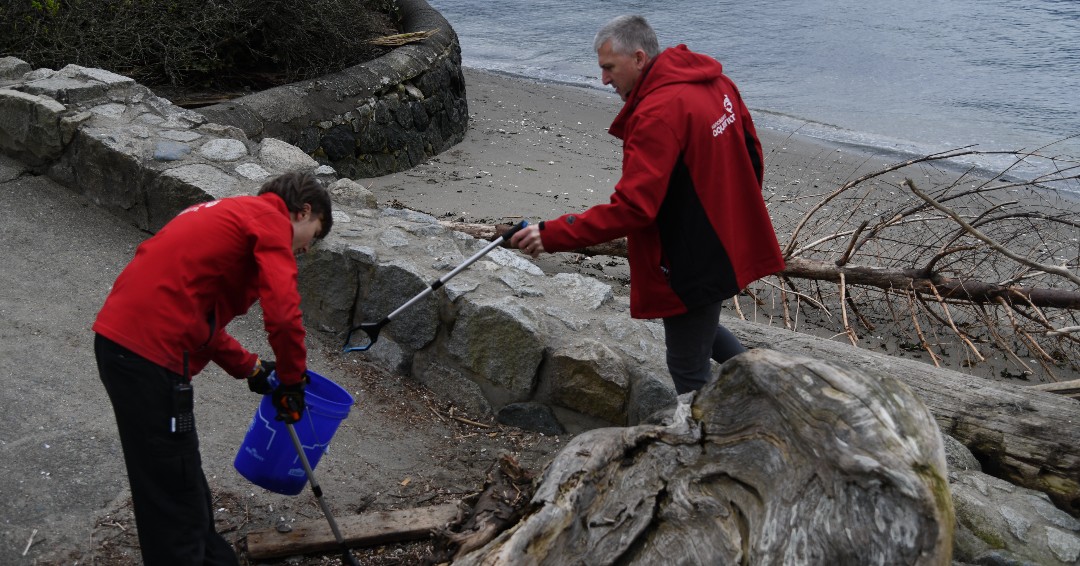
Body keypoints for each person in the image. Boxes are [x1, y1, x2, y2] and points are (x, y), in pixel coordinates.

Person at [511, 15, 785, 395]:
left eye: (609, 68)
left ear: (639, 58)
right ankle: (769, 390)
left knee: (687, 367)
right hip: (729, 236)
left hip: (693, 253)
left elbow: (633, 208)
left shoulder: (657, 113)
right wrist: (741, 214)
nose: (604, 80)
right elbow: (752, 153)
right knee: (702, 324)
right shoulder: (715, 82)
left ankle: (710, 444)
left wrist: (552, 234)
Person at [93, 171, 333, 565]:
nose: (306, 250)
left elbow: (196, 316)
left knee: (174, 478)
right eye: (314, 235)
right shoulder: (270, 219)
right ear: (303, 211)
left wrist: (250, 367)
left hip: (125, 346)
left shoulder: (232, 213)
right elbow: (284, 316)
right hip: (147, 356)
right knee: (172, 492)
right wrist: (292, 381)